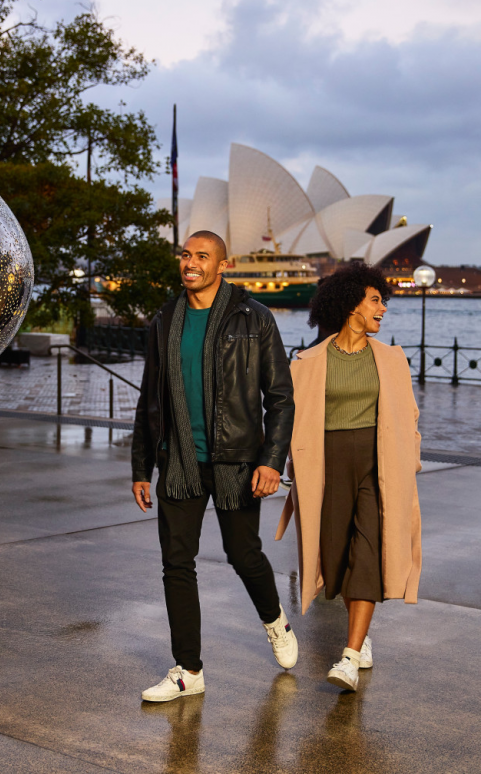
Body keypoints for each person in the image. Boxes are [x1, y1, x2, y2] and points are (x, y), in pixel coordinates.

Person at [132, 230, 297, 703]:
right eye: (186, 254)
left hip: (237, 461)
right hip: (179, 460)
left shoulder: (255, 318)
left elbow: (281, 398)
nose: (191, 262)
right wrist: (141, 466)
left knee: (243, 555)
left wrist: (271, 461)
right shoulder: (165, 320)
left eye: (202, 256)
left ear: (222, 265)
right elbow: (151, 399)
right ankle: (189, 670)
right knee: (176, 564)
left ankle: (275, 621)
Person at [276, 263, 422, 692]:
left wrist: (409, 457)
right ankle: (362, 634)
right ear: (350, 303)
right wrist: (287, 463)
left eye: (383, 301)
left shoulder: (392, 359)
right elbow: (291, 420)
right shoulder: (307, 362)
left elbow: (409, 414)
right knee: (334, 555)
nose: (383, 309)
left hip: (380, 463)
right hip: (327, 460)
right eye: (376, 300)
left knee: (370, 548)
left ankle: (350, 654)